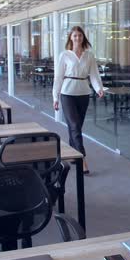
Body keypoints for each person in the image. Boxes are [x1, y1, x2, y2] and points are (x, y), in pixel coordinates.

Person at [53, 26, 104, 174]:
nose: (77, 38)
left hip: (83, 93)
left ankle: (72, 153)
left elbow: (94, 75)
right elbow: (58, 78)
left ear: (83, 37)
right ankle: (82, 160)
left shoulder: (89, 56)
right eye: (75, 36)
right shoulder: (64, 55)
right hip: (67, 93)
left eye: (80, 36)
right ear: (70, 37)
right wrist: (55, 97)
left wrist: (98, 88)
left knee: (76, 127)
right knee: (75, 126)